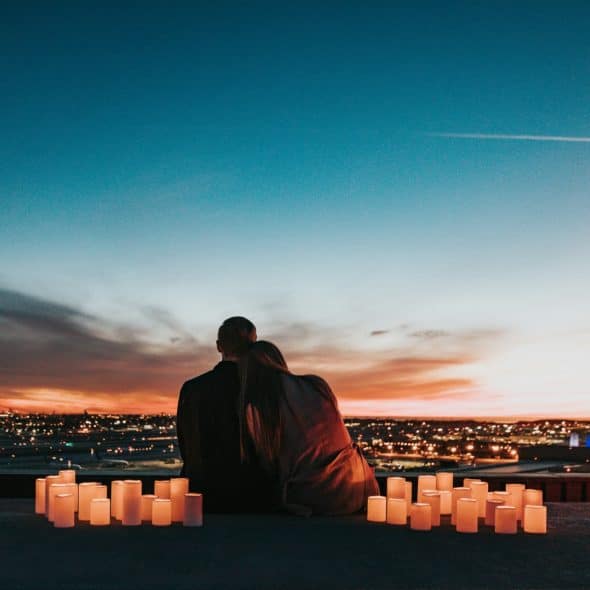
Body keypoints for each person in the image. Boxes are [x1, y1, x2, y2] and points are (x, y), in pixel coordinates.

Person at [238, 340, 379, 516]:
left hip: (314, 499)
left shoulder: (259, 408)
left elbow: (267, 464)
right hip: (360, 488)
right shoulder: (316, 384)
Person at [176, 317, 272, 512]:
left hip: (200, 495)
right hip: (253, 497)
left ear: (219, 347)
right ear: (253, 346)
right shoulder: (263, 389)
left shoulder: (191, 389)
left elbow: (186, 447)